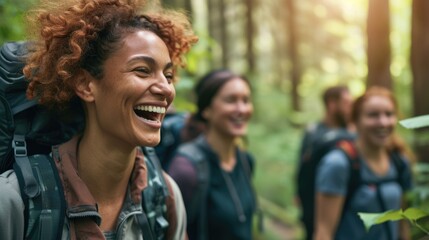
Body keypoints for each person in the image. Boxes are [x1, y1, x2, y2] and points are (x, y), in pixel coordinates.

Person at [0, 0, 197, 239]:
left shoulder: (164, 197)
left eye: (167, 75)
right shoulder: (14, 202)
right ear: (85, 85)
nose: (167, 89)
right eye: (142, 70)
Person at [314, 86, 413, 240]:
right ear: (355, 121)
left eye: (389, 114)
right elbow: (324, 233)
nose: (383, 122)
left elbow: (403, 225)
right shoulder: (338, 164)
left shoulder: (400, 161)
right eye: (373, 115)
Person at [167, 69, 256, 240]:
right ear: (206, 110)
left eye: (246, 100)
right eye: (231, 100)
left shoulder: (246, 161)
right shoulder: (186, 170)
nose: (241, 109)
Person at [296, 85, 355, 240]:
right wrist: (298, 193)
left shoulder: (353, 132)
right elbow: (302, 165)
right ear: (332, 104)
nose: (350, 108)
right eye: (346, 103)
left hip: (344, 206)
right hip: (313, 204)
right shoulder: (313, 132)